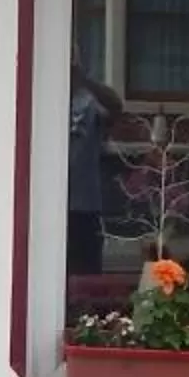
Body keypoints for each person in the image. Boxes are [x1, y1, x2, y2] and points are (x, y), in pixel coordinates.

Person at [66, 61, 124, 278]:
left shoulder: (89, 102)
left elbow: (115, 107)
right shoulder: (42, 99)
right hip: (46, 208)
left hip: (84, 206)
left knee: (86, 274)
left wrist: (84, 81)